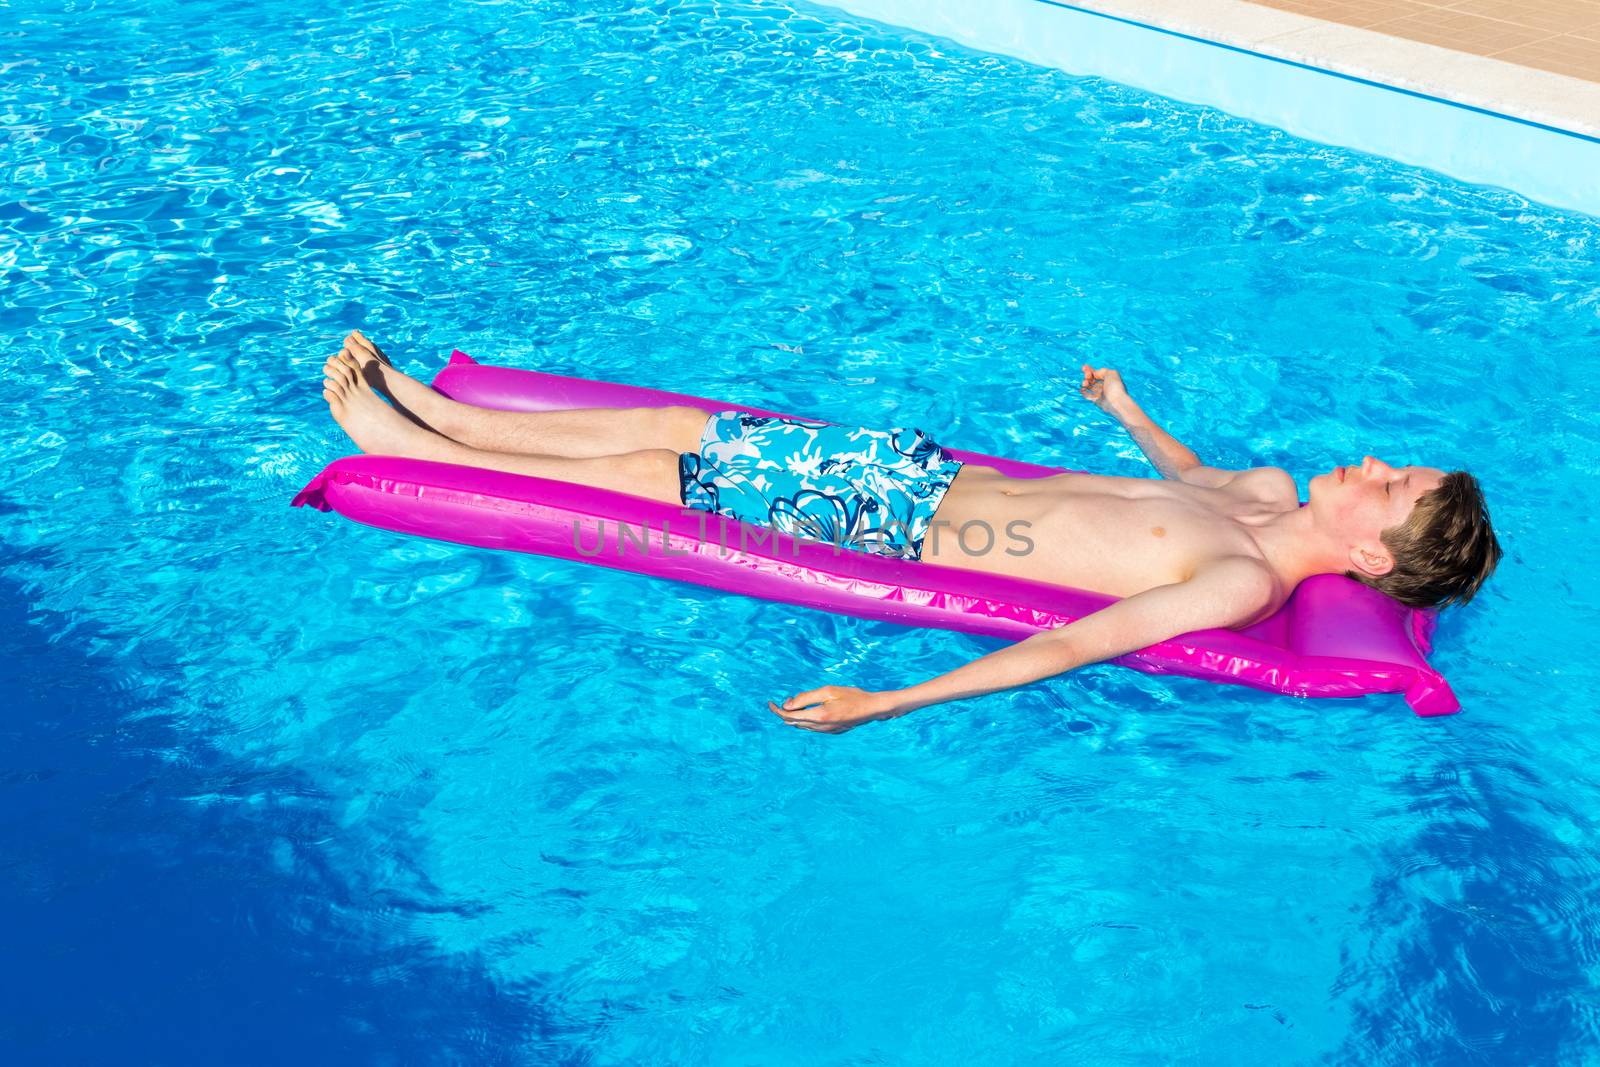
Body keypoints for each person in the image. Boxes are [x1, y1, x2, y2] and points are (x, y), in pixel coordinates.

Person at [321, 329, 1501, 734]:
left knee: (659, 468)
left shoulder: (1239, 578)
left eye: (1388, 485)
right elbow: (1184, 472)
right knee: (694, 420)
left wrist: (883, 704)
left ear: (1369, 560)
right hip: (917, 468)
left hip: (897, 530)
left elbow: (1066, 646)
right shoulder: (1264, 489)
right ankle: (438, 403)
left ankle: (414, 450)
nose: (1372, 462)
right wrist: (1128, 409)